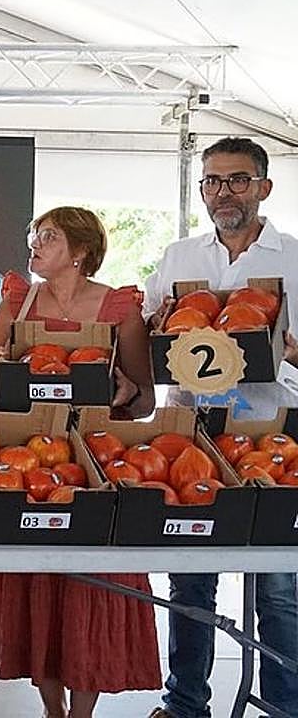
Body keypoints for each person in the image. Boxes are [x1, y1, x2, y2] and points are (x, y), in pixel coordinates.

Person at [0, 206, 159, 718]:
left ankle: (82, 712)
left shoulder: (120, 309)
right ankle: (53, 708)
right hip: (30, 459)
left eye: (47, 237)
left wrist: (125, 387)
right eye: (34, 235)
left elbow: (144, 403)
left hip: (98, 460)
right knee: (38, 586)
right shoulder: (15, 301)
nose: (34, 244)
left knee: (90, 586)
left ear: (80, 251)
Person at [144, 136, 298, 718]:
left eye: (236, 180)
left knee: (278, 585)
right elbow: (152, 328)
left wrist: (279, 351)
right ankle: (185, 703)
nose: (222, 192)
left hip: (270, 428)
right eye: (211, 181)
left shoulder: (293, 258)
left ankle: (286, 705)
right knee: (189, 573)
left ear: (263, 187)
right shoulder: (181, 257)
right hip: (193, 426)